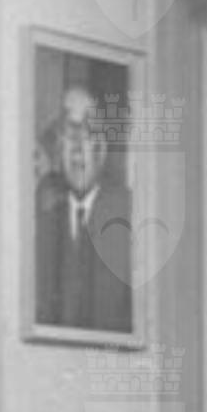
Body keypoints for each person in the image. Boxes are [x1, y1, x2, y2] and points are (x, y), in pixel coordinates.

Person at [33, 85, 133, 332]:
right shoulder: (41, 219)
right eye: (69, 132)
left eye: (88, 133)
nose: (78, 147)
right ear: (58, 146)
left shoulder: (130, 215)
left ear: (102, 147)